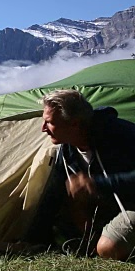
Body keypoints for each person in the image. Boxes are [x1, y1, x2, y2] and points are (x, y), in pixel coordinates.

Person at [40, 89, 135, 260]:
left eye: (49, 122)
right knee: (73, 196)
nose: (43, 129)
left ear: (74, 123)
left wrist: (98, 184)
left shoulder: (121, 134)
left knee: (108, 248)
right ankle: (90, 240)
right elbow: (54, 193)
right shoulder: (67, 151)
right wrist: (32, 238)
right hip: (110, 204)